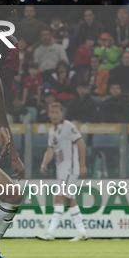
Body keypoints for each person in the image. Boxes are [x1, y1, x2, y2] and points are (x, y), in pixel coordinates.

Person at [37, 102, 88, 242]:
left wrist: (82, 165)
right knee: (70, 200)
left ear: (61, 114)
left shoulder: (69, 126)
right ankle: (82, 232)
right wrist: (44, 163)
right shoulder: (52, 131)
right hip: (62, 169)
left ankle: (50, 232)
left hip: (70, 168)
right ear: (49, 114)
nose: (54, 115)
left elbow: (81, 144)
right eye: (52, 112)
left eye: (57, 112)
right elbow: (50, 149)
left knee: (58, 197)